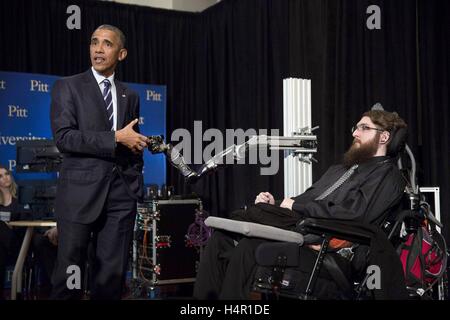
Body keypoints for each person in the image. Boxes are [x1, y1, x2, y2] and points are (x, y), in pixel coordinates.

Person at [193, 110, 408, 299]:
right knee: (221, 240)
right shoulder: (340, 169)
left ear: (384, 137)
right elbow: (307, 199)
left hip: (331, 252)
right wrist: (277, 204)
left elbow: (355, 215)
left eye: (364, 128)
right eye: (356, 127)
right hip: (304, 231)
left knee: (250, 247)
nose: (355, 133)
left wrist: (295, 207)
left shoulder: (388, 176)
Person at [50, 24, 149, 300]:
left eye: (107, 43)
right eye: (94, 42)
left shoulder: (131, 95)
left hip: (120, 196)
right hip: (79, 196)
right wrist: (116, 138)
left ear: (121, 53)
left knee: (111, 279)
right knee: (70, 276)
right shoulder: (67, 87)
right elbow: (65, 138)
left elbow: (129, 140)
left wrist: (136, 150)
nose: (98, 49)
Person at [0, 165, 23, 299]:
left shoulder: (22, 198)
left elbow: (24, 226)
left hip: (17, 244)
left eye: (7, 174)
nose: (5, 178)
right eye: (0, 176)